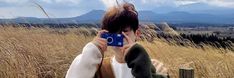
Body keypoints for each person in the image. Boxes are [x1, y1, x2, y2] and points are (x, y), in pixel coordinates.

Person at [66, 3, 169, 78]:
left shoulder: (156, 67)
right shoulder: (98, 68)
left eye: (125, 31)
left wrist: (140, 58)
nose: (119, 37)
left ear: (137, 34)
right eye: (113, 33)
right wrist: (92, 50)